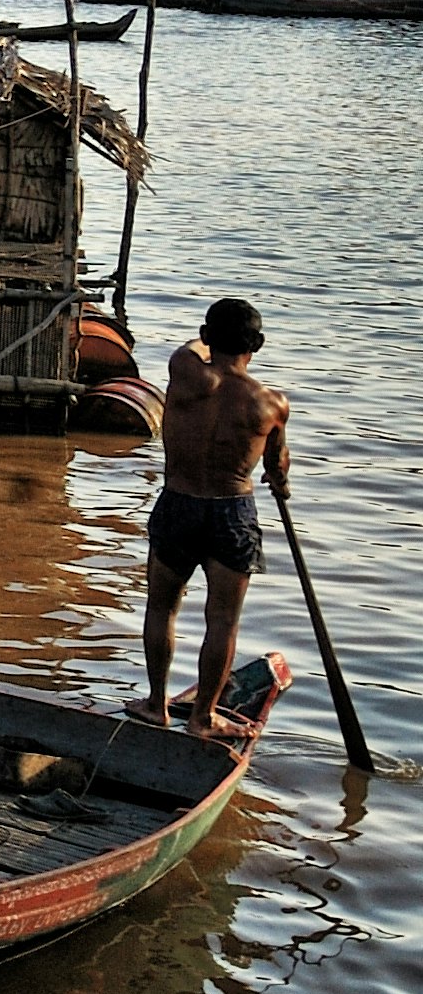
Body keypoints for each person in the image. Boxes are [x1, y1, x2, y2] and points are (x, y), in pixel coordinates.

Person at [140, 296, 291, 734]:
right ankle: (204, 717)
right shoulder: (271, 405)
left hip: (178, 503)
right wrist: (280, 482)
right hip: (232, 513)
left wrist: (205, 341)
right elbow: (277, 466)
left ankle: (156, 704)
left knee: (161, 608)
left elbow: (191, 349)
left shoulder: (185, 373)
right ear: (257, 345)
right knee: (222, 619)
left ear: (207, 338)